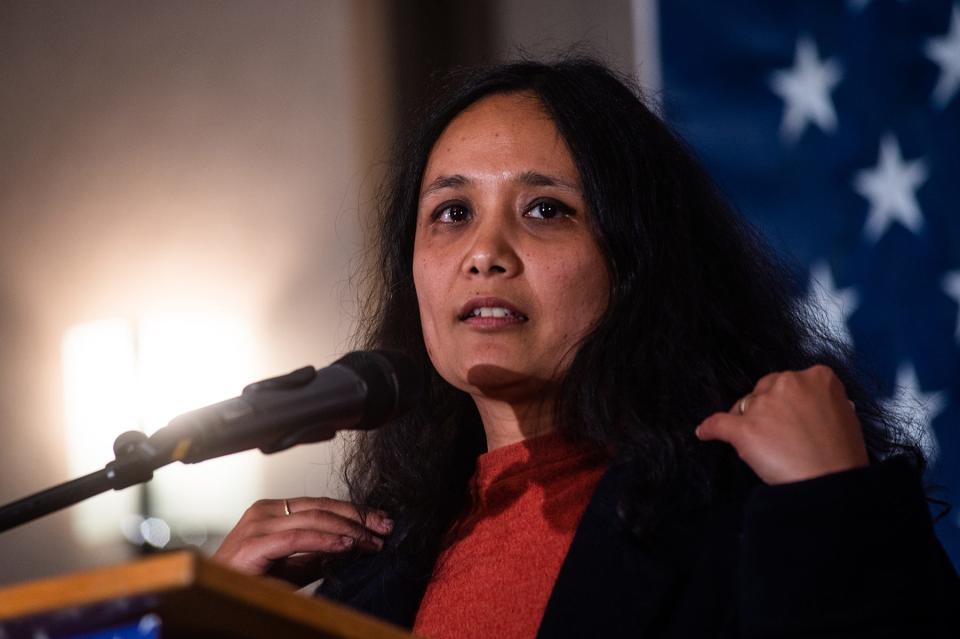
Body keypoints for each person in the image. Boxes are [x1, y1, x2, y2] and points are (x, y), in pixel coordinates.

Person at [213, 58, 959, 637]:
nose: (484, 252)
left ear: (636, 265)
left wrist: (833, 506)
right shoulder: (367, 576)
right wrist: (211, 617)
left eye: (545, 209)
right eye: (451, 212)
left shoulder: (760, 506)